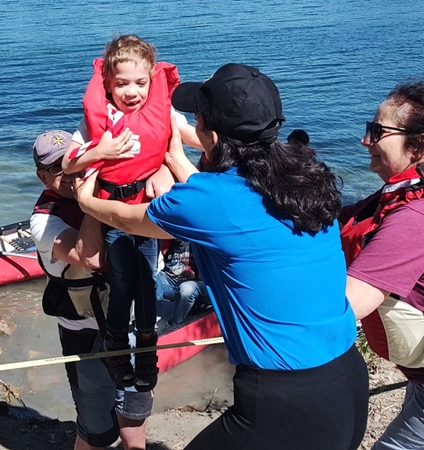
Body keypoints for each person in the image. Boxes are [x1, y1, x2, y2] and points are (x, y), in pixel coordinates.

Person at [74, 63, 369, 450]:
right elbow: (230, 206)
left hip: (284, 400)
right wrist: (176, 158)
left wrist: (86, 200)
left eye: (197, 118)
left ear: (210, 134)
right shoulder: (305, 175)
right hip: (348, 379)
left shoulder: (208, 200)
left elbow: (126, 218)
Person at [61, 35, 197, 392]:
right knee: (122, 284)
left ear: (152, 80)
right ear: (108, 82)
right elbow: (68, 163)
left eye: (140, 83)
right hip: (114, 214)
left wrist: (231, 140)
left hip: (148, 213)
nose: (132, 92)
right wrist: (99, 151)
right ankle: (117, 346)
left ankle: (148, 346)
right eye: (121, 84)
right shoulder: (98, 120)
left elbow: (188, 134)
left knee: (148, 281)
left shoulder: (163, 111)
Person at [29, 130, 152, 450]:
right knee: (98, 432)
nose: (70, 173)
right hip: (85, 334)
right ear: (42, 177)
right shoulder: (43, 222)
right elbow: (91, 257)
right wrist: (90, 198)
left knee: (134, 419)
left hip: (131, 327)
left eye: (73, 162)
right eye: (57, 169)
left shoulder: (112, 191)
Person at [342, 81, 424, 450]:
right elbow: (332, 222)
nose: (365, 141)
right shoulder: (395, 196)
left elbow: (346, 306)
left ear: (418, 147)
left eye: (377, 132)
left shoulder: (413, 217)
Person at [156, 239, 208, 326]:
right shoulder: (166, 241)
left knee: (186, 289)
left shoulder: (197, 242)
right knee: (148, 279)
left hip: (194, 283)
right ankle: (147, 321)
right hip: (169, 281)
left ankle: (174, 325)